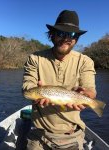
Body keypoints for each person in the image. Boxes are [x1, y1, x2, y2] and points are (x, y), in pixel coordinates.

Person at [22, 10, 96, 150]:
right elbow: (27, 86)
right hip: (39, 135)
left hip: (72, 134)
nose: (66, 38)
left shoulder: (85, 61)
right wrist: (34, 90)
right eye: (61, 33)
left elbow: (91, 91)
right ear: (52, 35)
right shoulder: (35, 58)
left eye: (71, 34)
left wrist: (86, 95)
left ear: (76, 38)